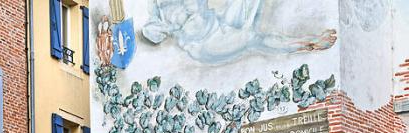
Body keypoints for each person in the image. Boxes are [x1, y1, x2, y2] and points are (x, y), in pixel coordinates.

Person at [141, 0, 337, 64]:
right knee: (252, 39)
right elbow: (150, 33)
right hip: (205, 45)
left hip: (219, 23)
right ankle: (307, 43)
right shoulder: (158, 6)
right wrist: (166, 28)